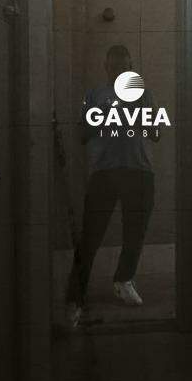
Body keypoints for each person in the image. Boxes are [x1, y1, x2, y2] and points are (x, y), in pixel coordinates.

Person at [65, 45, 159, 328]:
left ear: (131, 68)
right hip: (104, 173)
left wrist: (139, 114)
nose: (120, 72)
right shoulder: (95, 95)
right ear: (106, 68)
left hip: (139, 172)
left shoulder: (143, 94)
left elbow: (155, 133)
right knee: (90, 237)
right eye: (115, 67)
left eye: (125, 67)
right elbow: (82, 134)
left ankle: (124, 279)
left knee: (135, 233)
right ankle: (75, 298)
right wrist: (105, 114)